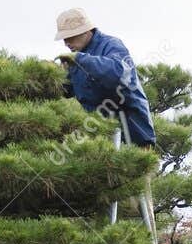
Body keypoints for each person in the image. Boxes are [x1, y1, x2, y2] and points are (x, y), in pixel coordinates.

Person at [53, 8, 157, 149]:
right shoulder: (76, 58)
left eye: (70, 37)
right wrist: (50, 75)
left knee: (129, 169)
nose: (66, 43)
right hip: (100, 133)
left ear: (85, 31)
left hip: (133, 134)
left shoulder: (111, 45)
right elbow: (66, 89)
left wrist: (80, 59)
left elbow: (118, 74)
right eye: (64, 39)